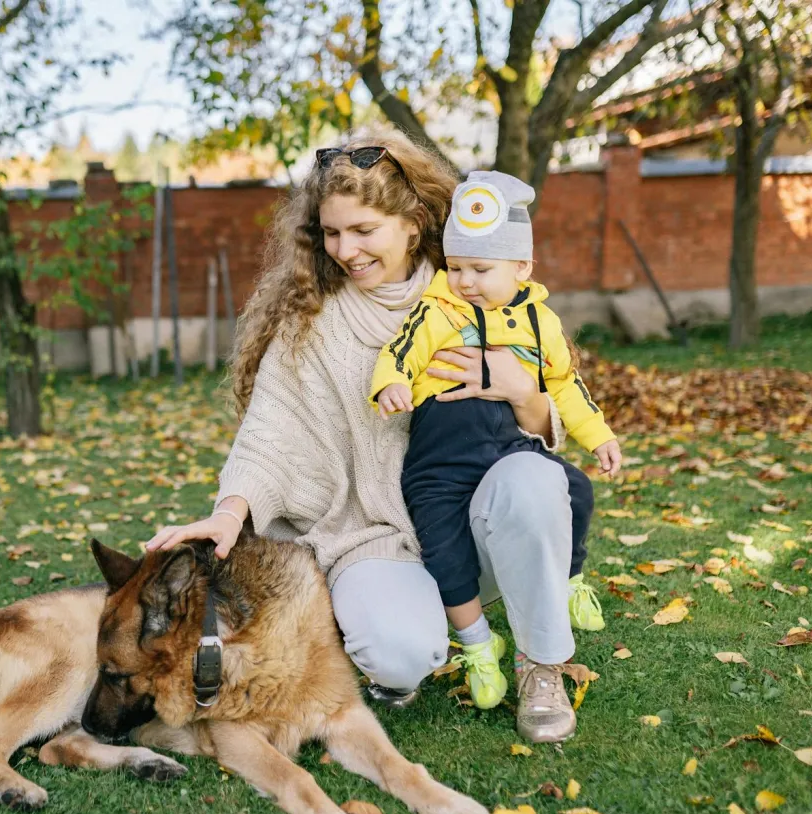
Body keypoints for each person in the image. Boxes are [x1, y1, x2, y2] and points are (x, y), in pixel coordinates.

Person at [145, 124, 583, 743]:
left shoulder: (478, 288)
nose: (345, 249)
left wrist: (521, 389)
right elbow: (269, 435)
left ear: (413, 222)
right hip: (373, 535)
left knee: (536, 479)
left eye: (363, 230)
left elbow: (548, 423)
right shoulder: (311, 324)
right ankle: (404, 622)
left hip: (470, 518)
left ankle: (542, 666)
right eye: (331, 232)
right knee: (402, 653)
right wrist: (229, 512)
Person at [370, 170, 620, 716]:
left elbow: (565, 385)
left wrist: (597, 434)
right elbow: (401, 351)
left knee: (573, 488)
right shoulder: (439, 311)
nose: (466, 281)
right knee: (445, 546)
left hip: (510, 449)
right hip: (442, 459)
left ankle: (570, 578)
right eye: (456, 267)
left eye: (481, 269)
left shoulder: (540, 323)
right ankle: (480, 646)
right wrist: (390, 382)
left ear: (522, 267)